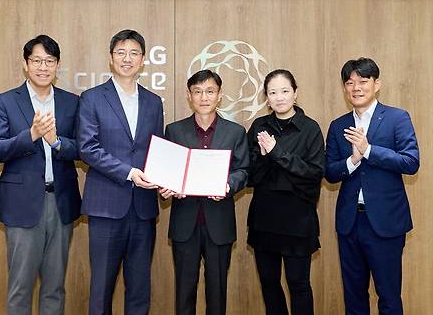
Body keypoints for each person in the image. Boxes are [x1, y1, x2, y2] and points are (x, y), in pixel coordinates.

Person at [0, 35, 81, 315]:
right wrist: (30, 135)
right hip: (22, 203)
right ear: (25, 64)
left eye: (49, 61)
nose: (43, 67)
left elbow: (80, 148)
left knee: (55, 286)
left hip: (61, 201)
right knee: (20, 285)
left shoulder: (71, 102)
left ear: (58, 65)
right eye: (37, 61)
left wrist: (56, 141)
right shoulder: (6, 101)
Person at [77, 29, 164, 315]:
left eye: (134, 53)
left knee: (139, 287)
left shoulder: (153, 102)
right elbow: (88, 148)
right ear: (111, 59)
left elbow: (157, 150)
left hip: (143, 207)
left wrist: (164, 178)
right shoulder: (92, 98)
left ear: (143, 60)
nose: (127, 59)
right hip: (106, 206)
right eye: (121, 53)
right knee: (101, 286)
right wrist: (128, 172)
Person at [324, 57, 419, 315]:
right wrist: (353, 160)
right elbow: (330, 173)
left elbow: (411, 162)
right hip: (350, 222)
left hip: (385, 223)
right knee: (354, 296)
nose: (356, 87)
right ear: (344, 88)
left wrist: (368, 150)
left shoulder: (397, 118)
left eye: (363, 81)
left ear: (377, 84)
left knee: (388, 295)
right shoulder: (338, 125)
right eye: (350, 82)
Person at [160, 69, 249, 315]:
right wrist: (167, 187)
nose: (204, 97)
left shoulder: (235, 132)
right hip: (184, 224)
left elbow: (243, 170)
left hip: (219, 224)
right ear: (189, 96)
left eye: (210, 91)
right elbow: (166, 171)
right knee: (184, 293)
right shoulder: (174, 131)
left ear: (219, 95)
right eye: (197, 92)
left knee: (217, 293)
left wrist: (229, 185)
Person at [246, 69, 324, 315]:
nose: (279, 97)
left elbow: (313, 174)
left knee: (298, 285)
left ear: (295, 94)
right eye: (272, 92)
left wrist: (277, 152)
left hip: (297, 220)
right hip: (264, 219)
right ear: (266, 98)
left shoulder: (310, 129)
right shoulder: (259, 126)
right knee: (269, 284)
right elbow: (250, 175)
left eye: (284, 91)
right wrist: (266, 156)